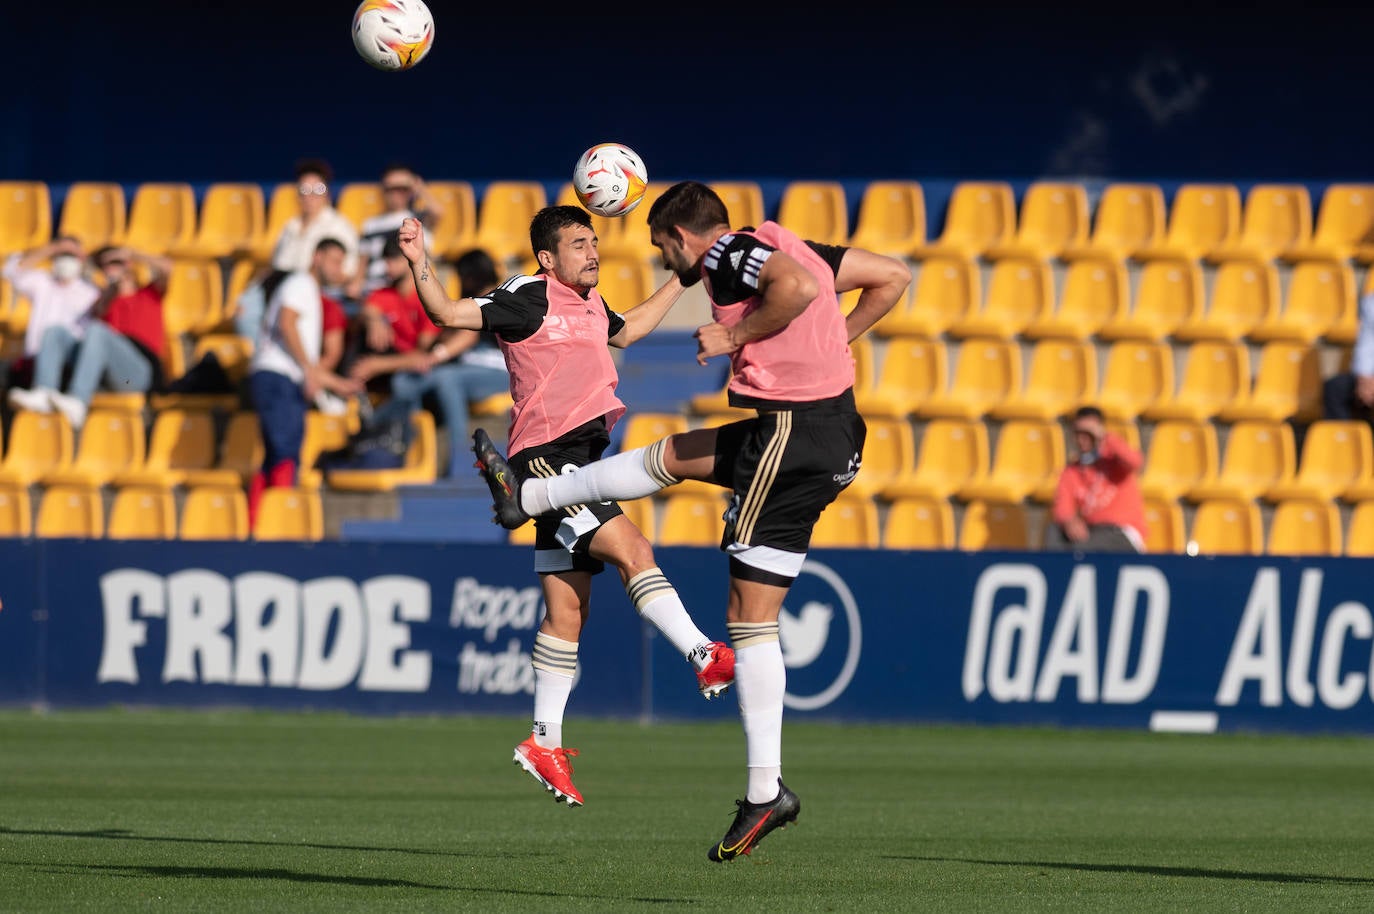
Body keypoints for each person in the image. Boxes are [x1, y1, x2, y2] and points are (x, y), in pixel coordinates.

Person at [471, 181, 912, 860]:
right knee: (672, 456)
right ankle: (526, 499)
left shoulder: (729, 254)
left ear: (679, 237)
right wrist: (832, 346)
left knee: (748, 616)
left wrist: (733, 332)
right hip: (833, 432)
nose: (662, 260)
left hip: (793, 432)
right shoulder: (795, 243)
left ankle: (766, 792)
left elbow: (790, 291)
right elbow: (892, 276)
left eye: (659, 247)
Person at [396, 205, 735, 808]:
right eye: (580, 245)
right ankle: (701, 653)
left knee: (566, 615)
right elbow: (448, 313)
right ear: (549, 259)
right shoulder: (528, 296)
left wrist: (681, 279)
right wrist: (421, 262)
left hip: (582, 463)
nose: (594, 252)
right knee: (635, 549)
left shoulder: (592, 305)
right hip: (551, 461)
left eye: (596, 241)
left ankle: (543, 742)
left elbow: (627, 331)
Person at [357, 248, 508, 478]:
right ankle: (403, 446)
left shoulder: (501, 297)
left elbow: (468, 337)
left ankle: (463, 460)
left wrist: (434, 356)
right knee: (404, 382)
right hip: (466, 369)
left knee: (447, 379)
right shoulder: (471, 300)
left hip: (499, 371)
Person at [246, 238, 361, 526]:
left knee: (276, 454)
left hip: (280, 378)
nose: (337, 269)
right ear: (317, 257)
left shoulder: (306, 289)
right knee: (285, 451)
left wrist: (336, 383)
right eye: (334, 260)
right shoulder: (301, 284)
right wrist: (311, 371)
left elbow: (299, 355)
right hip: (277, 379)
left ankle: (258, 523)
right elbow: (287, 323)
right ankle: (279, 523)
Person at [6, 245, 170, 429]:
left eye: (116, 263)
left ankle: (78, 399)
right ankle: (44, 390)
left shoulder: (149, 294)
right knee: (54, 332)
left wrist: (131, 254)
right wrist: (110, 291)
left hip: (136, 377)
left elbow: (166, 268)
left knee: (96, 331)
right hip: (108, 376)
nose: (111, 269)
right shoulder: (101, 302)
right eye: (105, 265)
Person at [0, 236, 99, 394]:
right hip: (33, 360)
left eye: (71, 255)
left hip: (68, 364)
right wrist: (52, 248)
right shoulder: (42, 281)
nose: (67, 259)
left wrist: (81, 256)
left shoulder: (91, 292)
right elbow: (9, 271)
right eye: (63, 255)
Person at [1044, 405, 1147, 553]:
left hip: (1121, 533)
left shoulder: (1114, 461)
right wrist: (1069, 521)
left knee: (1080, 550)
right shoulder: (1072, 471)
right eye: (1078, 433)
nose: (1082, 439)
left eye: (1088, 433)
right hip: (1093, 532)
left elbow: (1135, 462)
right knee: (1054, 532)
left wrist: (1106, 438)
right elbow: (1062, 505)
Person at [351, 163, 441, 299]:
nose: (396, 193)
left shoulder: (419, 219)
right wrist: (356, 284)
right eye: (390, 188)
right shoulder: (371, 224)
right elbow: (363, 260)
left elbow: (438, 212)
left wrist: (417, 186)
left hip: (410, 290)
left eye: (402, 188)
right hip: (375, 290)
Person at [1323, 288, 1374, 425]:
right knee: (1335, 388)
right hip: (1370, 376)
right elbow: (1367, 342)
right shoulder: (1371, 304)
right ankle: (1344, 443)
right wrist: (1364, 378)